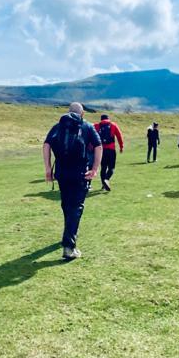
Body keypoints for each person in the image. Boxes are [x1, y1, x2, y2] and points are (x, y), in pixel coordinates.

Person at [43, 102, 102, 260]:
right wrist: (95, 169)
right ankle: (69, 247)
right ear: (82, 114)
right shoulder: (87, 126)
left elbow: (46, 144)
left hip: (61, 173)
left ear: (68, 112)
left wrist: (48, 168)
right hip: (80, 173)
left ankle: (67, 234)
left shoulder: (58, 127)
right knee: (76, 207)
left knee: (66, 204)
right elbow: (98, 146)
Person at [93, 113, 124, 191]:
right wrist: (121, 147)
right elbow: (119, 136)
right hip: (111, 150)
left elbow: (92, 137)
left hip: (102, 150)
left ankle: (103, 185)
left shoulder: (97, 126)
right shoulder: (113, 125)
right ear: (108, 118)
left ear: (101, 119)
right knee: (111, 168)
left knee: (103, 168)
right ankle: (107, 179)